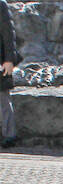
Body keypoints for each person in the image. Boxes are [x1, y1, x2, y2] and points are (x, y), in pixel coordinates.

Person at [0, 0, 18, 148]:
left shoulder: (0, 4)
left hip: (1, 61)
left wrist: (9, 60)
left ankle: (9, 136)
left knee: (3, 99)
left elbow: (8, 33)